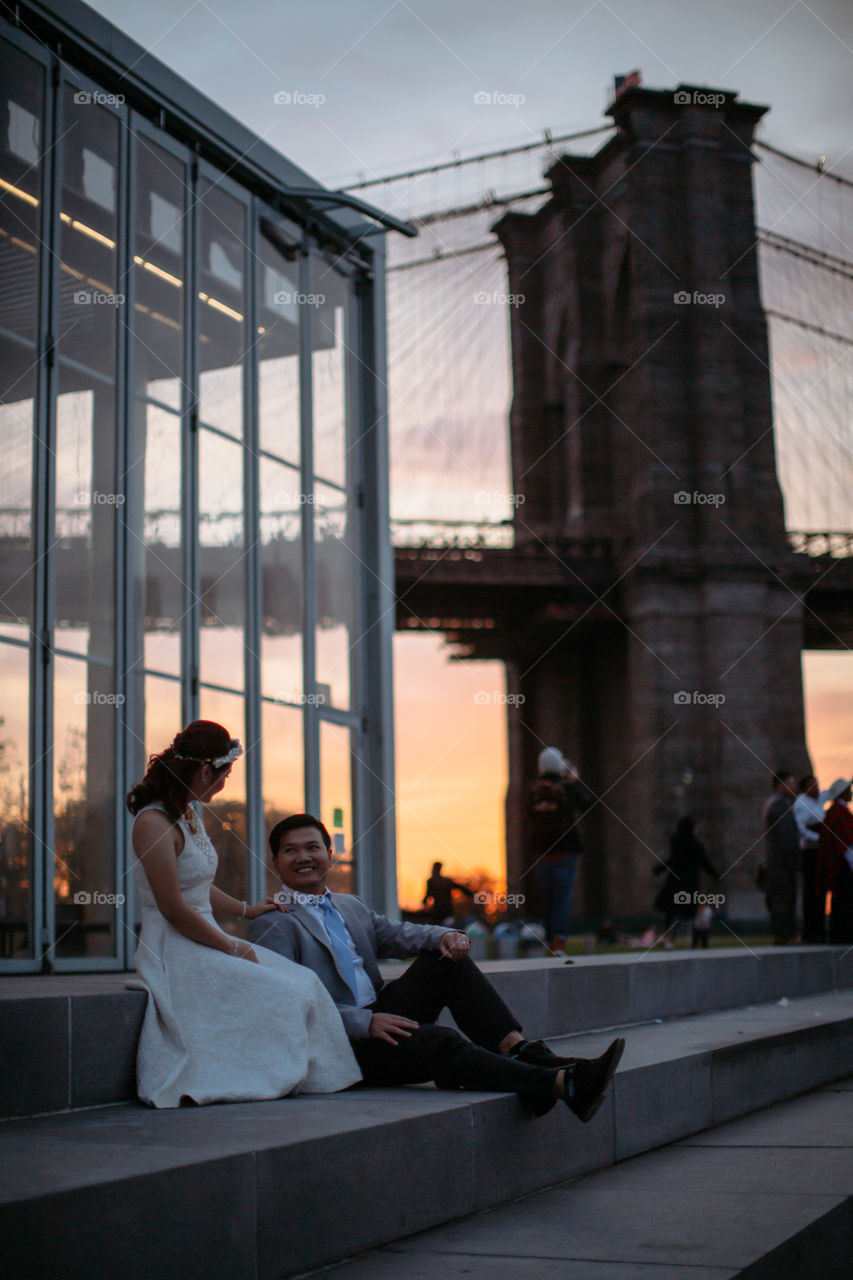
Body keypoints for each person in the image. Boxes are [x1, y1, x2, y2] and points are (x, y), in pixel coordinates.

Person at [249, 814, 625, 1123]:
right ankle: (563, 1084)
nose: (303, 857)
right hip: (343, 1043)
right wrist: (363, 1023)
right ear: (275, 862)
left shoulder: (349, 906)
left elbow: (399, 933)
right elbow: (288, 1003)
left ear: (330, 853)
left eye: (312, 847)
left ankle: (520, 1052)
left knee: (447, 960)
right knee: (440, 1040)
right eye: (290, 851)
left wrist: (446, 934)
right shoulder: (274, 921)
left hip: (382, 1014)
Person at [126, 722, 361, 1108]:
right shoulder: (153, 823)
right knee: (283, 991)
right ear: (205, 772)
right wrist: (232, 947)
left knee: (304, 981)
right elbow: (173, 908)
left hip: (203, 935)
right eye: (223, 777)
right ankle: (269, 1075)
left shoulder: (186, 813)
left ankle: (318, 1077)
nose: (223, 786)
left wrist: (247, 910)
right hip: (173, 947)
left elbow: (196, 885)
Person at [524, 747, 594, 954]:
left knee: (547, 899)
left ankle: (545, 940)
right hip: (566, 850)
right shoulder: (567, 786)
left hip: (540, 851)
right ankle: (559, 942)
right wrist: (574, 779)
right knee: (562, 898)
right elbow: (587, 803)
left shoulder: (532, 789)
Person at [652, 817, 719, 948]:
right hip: (689, 883)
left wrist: (659, 869)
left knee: (670, 909)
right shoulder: (696, 846)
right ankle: (670, 938)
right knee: (683, 911)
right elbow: (704, 863)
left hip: (674, 881)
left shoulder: (676, 842)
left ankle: (666, 936)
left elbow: (671, 860)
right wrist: (717, 875)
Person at [762, 771, 801, 944]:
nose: (794, 787)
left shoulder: (774, 802)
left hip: (776, 860)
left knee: (780, 899)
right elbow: (787, 836)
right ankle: (786, 936)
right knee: (784, 899)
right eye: (790, 783)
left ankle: (783, 935)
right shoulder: (781, 804)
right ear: (780, 785)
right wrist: (795, 860)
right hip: (781, 862)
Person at [817, 778, 853, 945]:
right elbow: (845, 844)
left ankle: (839, 934)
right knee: (844, 901)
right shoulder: (840, 814)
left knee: (840, 900)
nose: (851, 792)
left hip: (836, 865)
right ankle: (842, 935)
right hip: (841, 866)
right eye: (848, 790)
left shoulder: (834, 812)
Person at [793, 775, 826, 943]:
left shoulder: (816, 801)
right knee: (812, 893)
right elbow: (800, 828)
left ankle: (819, 929)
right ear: (804, 788)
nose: (816, 788)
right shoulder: (802, 805)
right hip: (810, 852)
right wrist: (819, 837)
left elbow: (830, 792)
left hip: (818, 851)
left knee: (819, 892)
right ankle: (811, 931)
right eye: (812, 785)